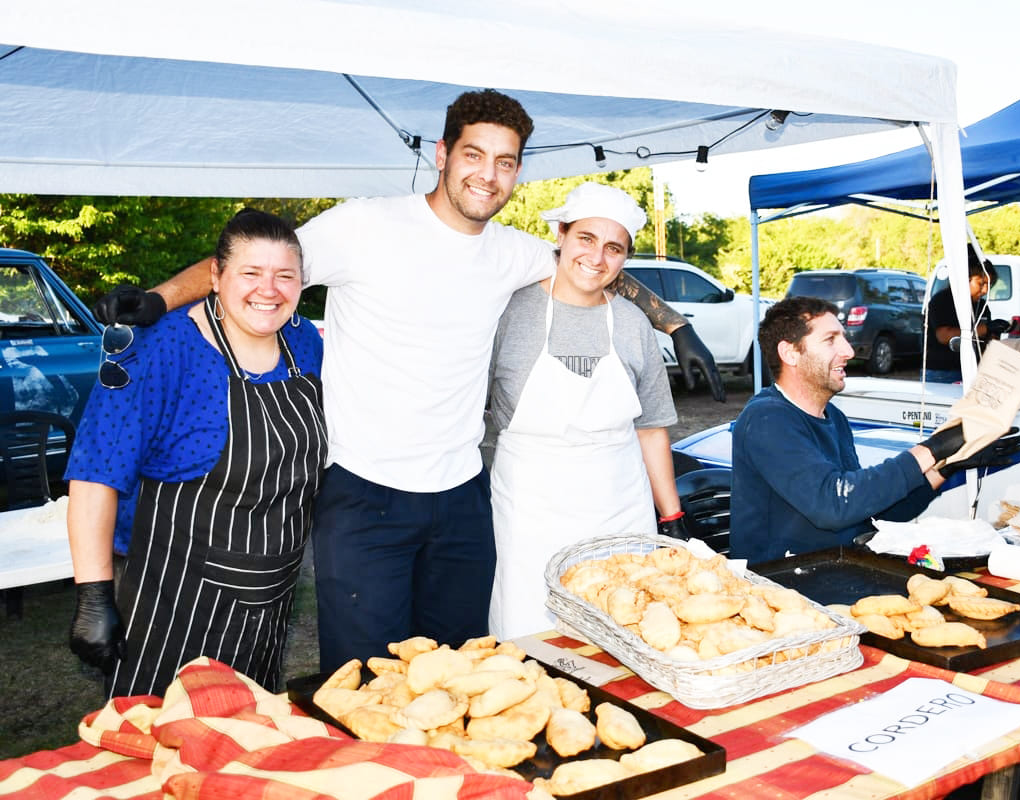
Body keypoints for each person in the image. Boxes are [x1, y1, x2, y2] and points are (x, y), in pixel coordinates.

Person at [91, 89, 722, 671]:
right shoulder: (363, 226)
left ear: (517, 172)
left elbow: (593, 263)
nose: (488, 173)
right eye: (475, 154)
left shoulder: (513, 251)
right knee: (366, 677)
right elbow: (253, 264)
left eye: (506, 162)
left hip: (462, 495)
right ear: (444, 155)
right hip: (366, 493)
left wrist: (673, 324)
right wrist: (158, 298)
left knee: (459, 671)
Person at [66, 209, 326, 698]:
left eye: (284, 275)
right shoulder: (159, 347)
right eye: (250, 273)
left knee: (250, 740)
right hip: (169, 597)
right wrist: (93, 595)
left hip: (267, 599)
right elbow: (96, 470)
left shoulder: (304, 342)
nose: (267, 289)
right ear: (215, 275)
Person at [488, 183, 682, 640]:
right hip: (531, 506)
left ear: (624, 260)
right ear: (560, 234)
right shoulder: (509, 309)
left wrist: (670, 516)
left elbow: (651, 428)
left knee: (622, 626)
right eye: (586, 239)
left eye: (613, 248)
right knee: (530, 630)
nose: (597, 258)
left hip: (619, 502)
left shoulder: (634, 323)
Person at [730, 296, 1020, 564]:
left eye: (844, 338)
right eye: (831, 340)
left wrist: (944, 469)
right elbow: (834, 505)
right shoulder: (767, 419)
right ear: (790, 353)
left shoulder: (835, 418)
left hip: (837, 569)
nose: (848, 350)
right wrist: (931, 449)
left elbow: (867, 513)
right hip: (778, 587)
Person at [924, 248, 1009, 383]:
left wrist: (995, 333)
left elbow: (987, 341)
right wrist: (985, 328)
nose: (985, 290)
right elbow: (944, 335)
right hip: (944, 372)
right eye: (981, 284)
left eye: (989, 285)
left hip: (974, 371)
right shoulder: (942, 300)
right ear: (965, 279)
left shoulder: (981, 306)